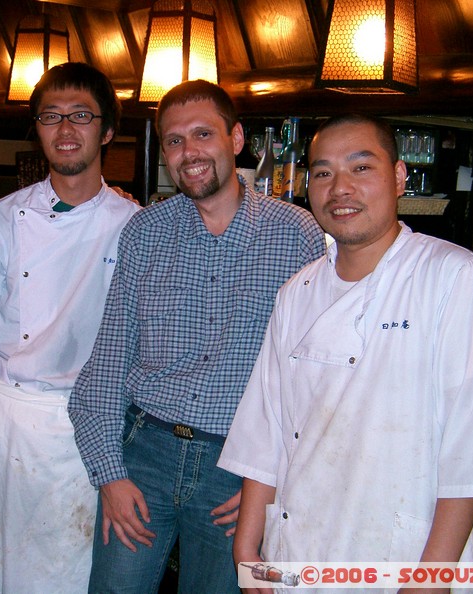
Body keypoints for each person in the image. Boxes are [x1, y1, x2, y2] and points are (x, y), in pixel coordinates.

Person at [219, 114, 473, 594]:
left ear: (398, 177)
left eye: (361, 168)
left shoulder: (450, 276)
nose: (340, 189)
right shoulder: (298, 290)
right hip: (297, 553)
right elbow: (266, 429)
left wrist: (430, 581)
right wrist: (247, 550)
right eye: (323, 172)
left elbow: (469, 447)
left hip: (402, 559)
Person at [68, 79, 326, 593]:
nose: (189, 153)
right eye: (174, 140)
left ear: (235, 139)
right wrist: (109, 474)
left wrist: (276, 475)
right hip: (144, 455)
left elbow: (316, 374)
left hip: (238, 468)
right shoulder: (145, 231)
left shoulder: (297, 233)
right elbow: (109, 359)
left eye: (203, 134)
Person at [0, 62, 141, 594]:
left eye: (81, 116)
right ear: (36, 129)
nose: (65, 130)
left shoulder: (134, 225)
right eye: (51, 117)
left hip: (81, 432)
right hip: (0, 426)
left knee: (71, 575)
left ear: (106, 131)